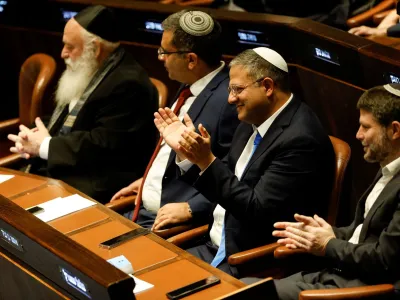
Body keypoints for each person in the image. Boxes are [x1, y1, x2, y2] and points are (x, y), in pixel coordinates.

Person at [154, 47, 335, 277]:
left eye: (237, 89)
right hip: (212, 243)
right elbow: (227, 180)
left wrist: (207, 160)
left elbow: (255, 210)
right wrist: (189, 155)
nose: (230, 99)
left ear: (268, 86)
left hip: (249, 261)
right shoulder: (253, 119)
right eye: (230, 89)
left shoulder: (300, 140)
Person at [7, 5, 159, 203]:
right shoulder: (90, 68)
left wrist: (45, 146)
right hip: (65, 168)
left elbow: (101, 145)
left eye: (70, 47)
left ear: (95, 48)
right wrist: (32, 138)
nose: (63, 53)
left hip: (94, 183)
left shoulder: (129, 84)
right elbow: (69, 122)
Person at [110, 10, 239, 229]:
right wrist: (150, 180)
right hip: (143, 205)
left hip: (166, 222)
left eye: (165, 51)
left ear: (191, 59)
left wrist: (194, 206)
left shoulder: (229, 102)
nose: (160, 57)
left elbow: (237, 174)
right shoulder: (191, 83)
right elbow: (175, 154)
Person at [272, 84, 400, 299]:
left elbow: (384, 259)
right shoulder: (388, 169)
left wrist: (328, 244)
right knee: (243, 288)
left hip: (362, 289)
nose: (358, 135)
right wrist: (322, 234)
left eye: (366, 127)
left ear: (394, 130)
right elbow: (363, 234)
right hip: (338, 275)